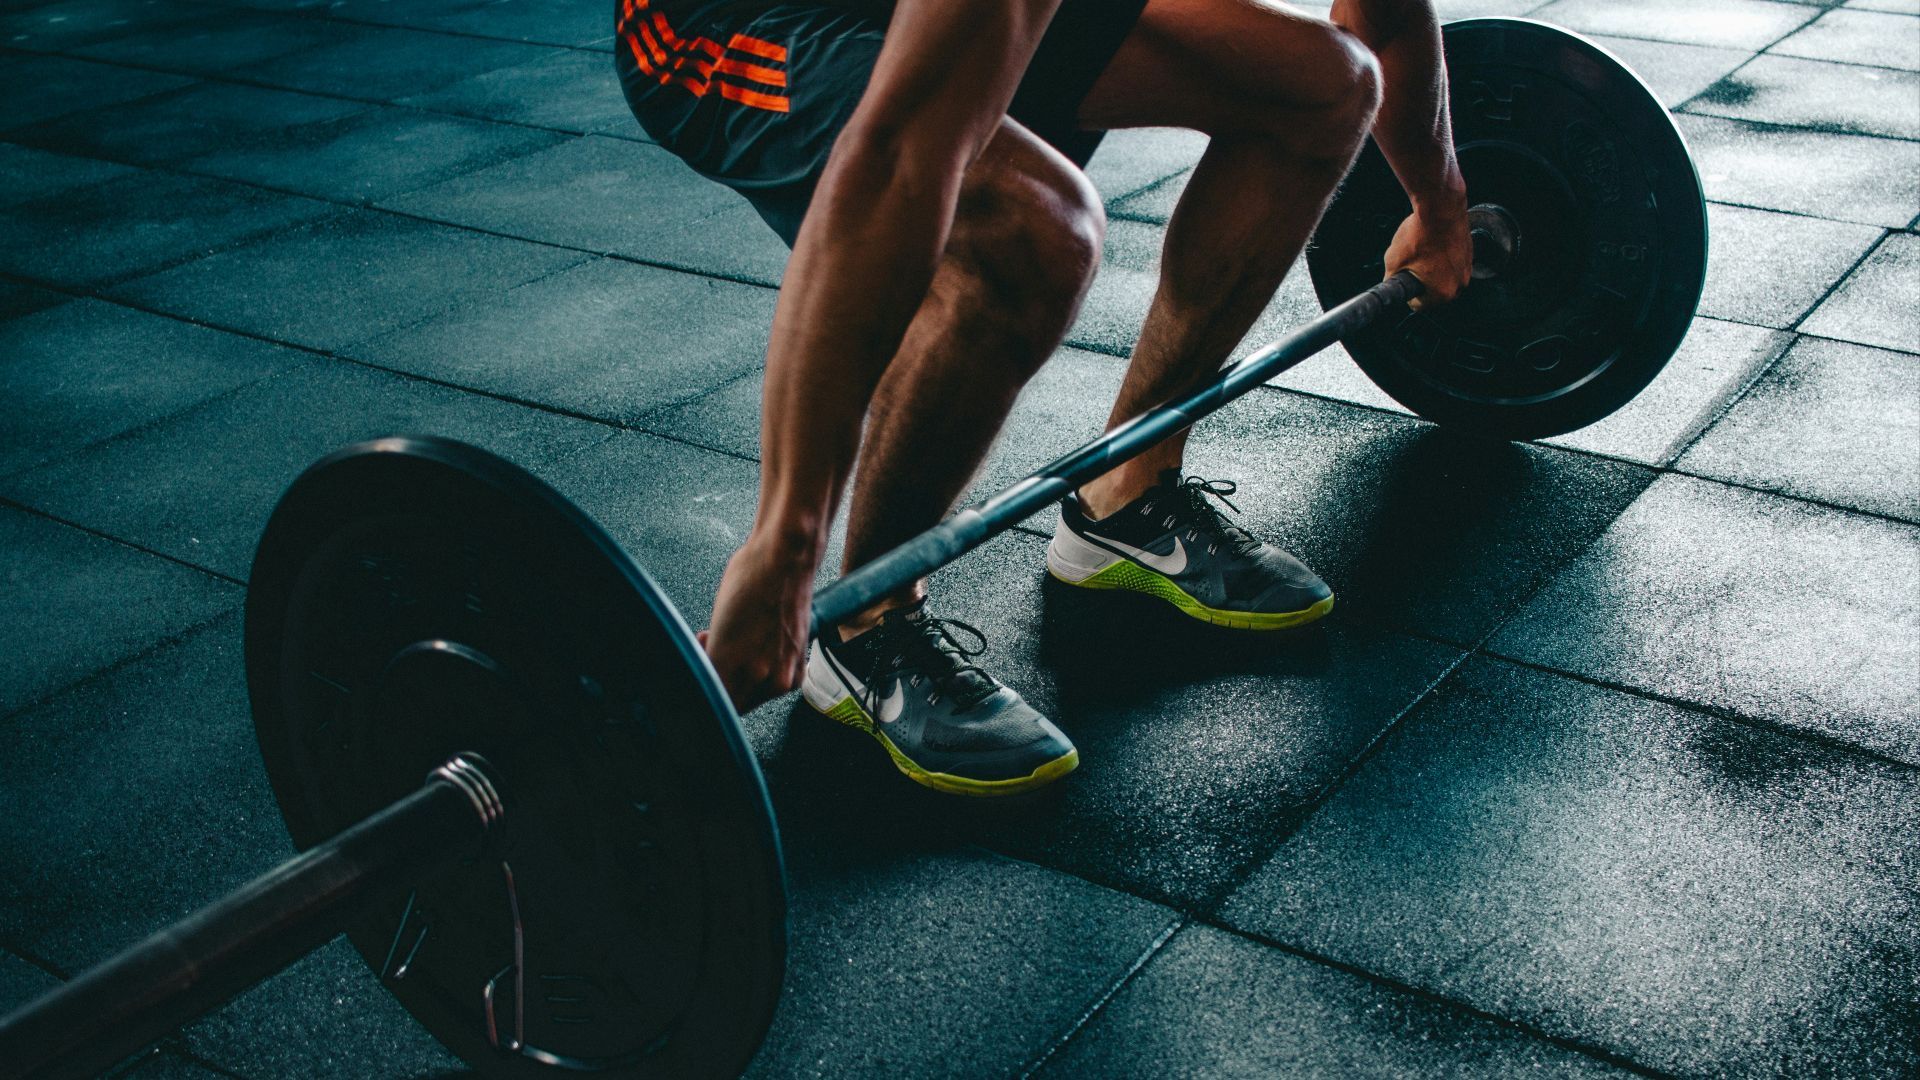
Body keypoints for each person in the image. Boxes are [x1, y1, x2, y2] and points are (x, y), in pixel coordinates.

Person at [616, 0, 1472, 796]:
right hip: (736, 18)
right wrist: (785, 544)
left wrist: (1438, 202)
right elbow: (901, 157)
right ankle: (867, 622)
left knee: (1325, 87)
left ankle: (1126, 493)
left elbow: (1384, 17)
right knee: (1034, 230)